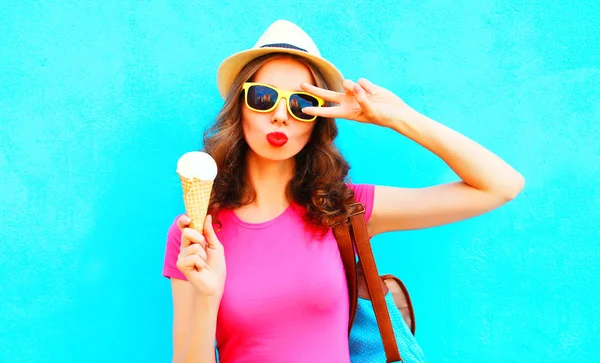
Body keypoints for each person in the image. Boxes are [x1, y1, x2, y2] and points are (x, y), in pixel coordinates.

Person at [162, 19, 525, 363]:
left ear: (318, 119)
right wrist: (207, 299)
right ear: (239, 107)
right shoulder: (198, 235)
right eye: (263, 97)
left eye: (302, 104)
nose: (280, 115)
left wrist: (398, 117)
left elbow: (500, 186)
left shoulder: (345, 209)